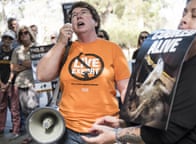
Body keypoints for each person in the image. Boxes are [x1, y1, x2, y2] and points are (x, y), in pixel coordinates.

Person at [81, 0, 196, 143]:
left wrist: (115, 135)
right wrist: (123, 123)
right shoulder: (182, 64)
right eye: (184, 13)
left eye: (195, 15)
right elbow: (161, 120)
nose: (184, 19)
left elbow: (168, 133)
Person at [36, 1, 130, 144]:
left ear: (96, 22)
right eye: (74, 15)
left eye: (83, 13)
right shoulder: (66, 49)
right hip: (67, 130)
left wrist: (128, 126)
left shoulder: (113, 49)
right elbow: (42, 75)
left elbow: (126, 90)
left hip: (104, 128)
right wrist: (60, 43)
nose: (78, 16)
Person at [11, 25, 38, 144]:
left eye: (26, 32)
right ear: (19, 37)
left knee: (34, 108)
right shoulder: (17, 50)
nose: (24, 35)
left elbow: (39, 63)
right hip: (20, 83)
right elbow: (13, 67)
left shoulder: (36, 47)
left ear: (30, 34)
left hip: (34, 82)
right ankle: (30, 134)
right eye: (21, 33)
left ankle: (37, 133)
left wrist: (25, 64)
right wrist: (26, 64)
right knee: (25, 111)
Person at [0, 30, 21, 139]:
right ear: (2, 39)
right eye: (5, 38)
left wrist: (8, 83)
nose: (7, 40)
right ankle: (1, 128)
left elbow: (15, 69)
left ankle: (16, 130)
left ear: (13, 40)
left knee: (14, 108)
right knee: (1, 107)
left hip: (12, 84)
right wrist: (2, 84)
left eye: (10, 38)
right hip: (1, 85)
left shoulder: (14, 52)